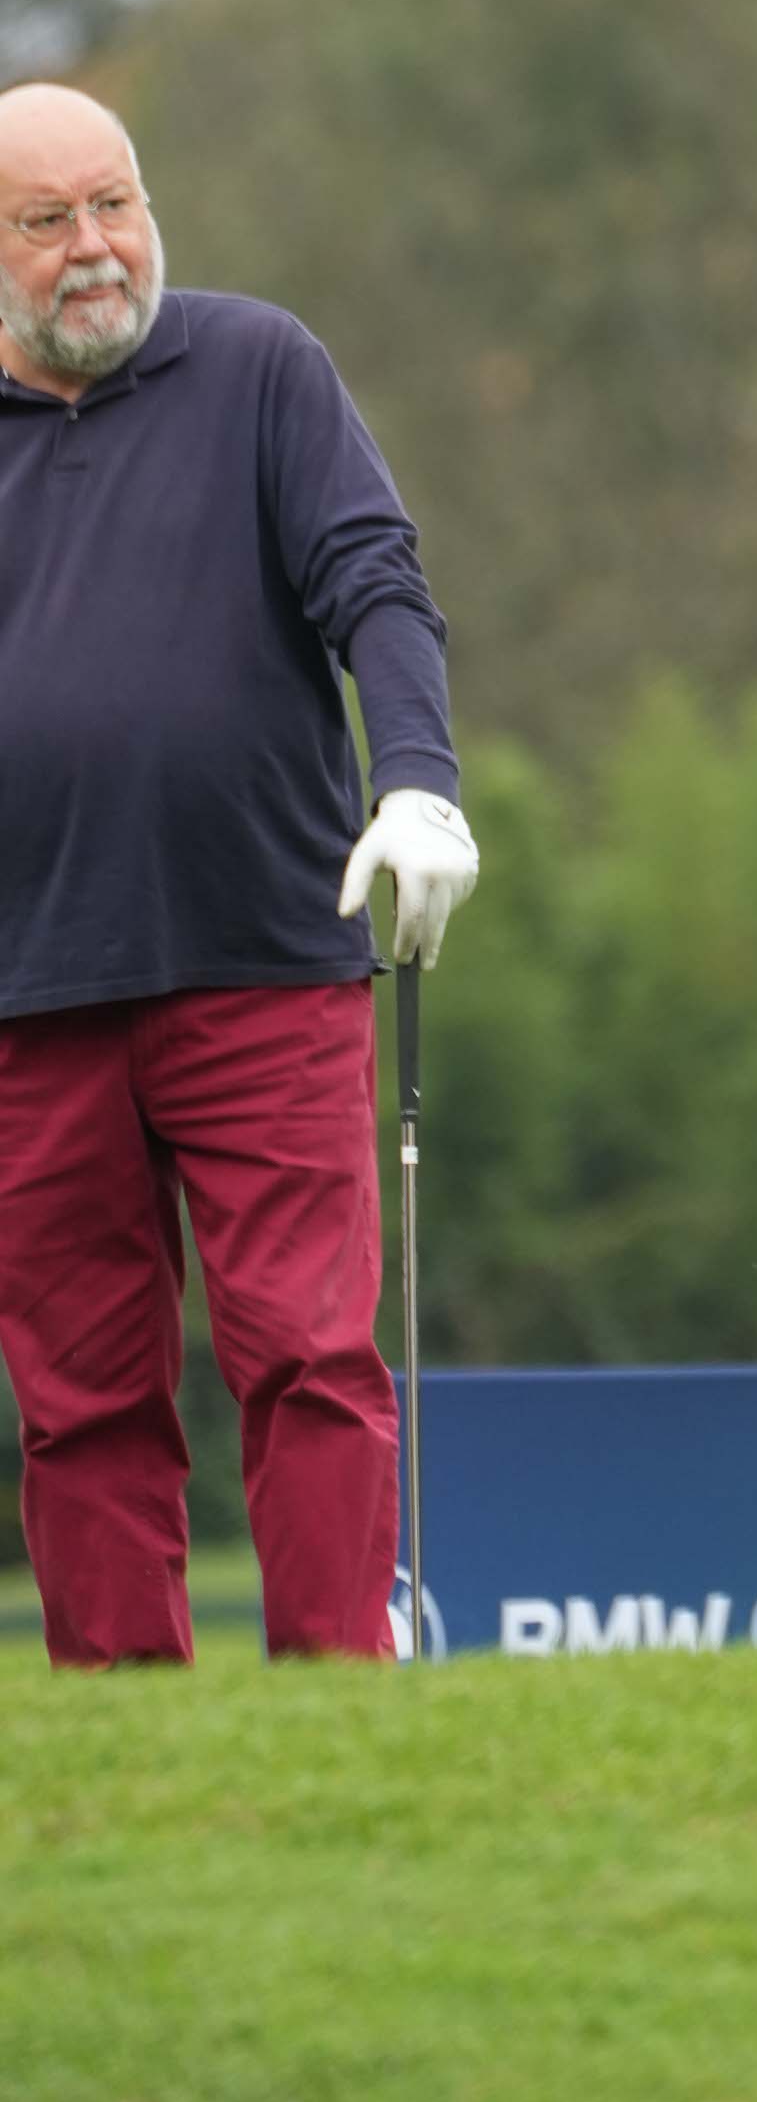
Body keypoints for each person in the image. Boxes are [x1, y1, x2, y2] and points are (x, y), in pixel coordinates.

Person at [0, 83, 479, 1665]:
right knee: (82, 1404)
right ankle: (134, 1735)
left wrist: (417, 785)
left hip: (266, 958)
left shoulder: (258, 368)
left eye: (117, 203)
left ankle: (333, 1704)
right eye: (47, 221)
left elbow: (376, 585)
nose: (95, 248)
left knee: (311, 1361)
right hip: (29, 994)